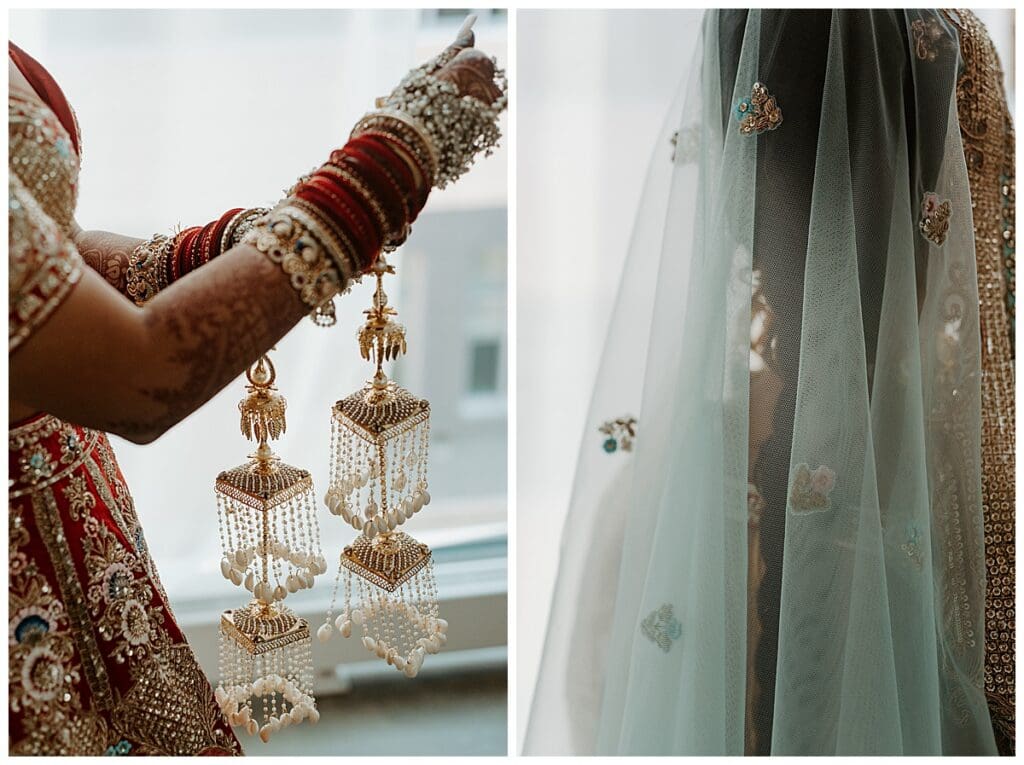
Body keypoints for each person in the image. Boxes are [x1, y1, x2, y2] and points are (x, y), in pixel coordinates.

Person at [9, 19, 505, 755]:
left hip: (80, 523)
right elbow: (140, 381)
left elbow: (44, 250)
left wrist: (230, 245)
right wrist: (385, 167)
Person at [524, 9, 1012, 756]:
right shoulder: (980, 524)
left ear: (731, 174)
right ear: (946, 189)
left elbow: (595, 716)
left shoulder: (658, 504)